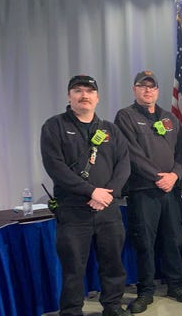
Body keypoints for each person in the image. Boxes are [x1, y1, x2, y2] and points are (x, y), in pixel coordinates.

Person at [40, 75, 131, 316]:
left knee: (113, 265)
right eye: (78, 90)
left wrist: (107, 195)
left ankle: (112, 307)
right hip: (73, 211)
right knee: (73, 269)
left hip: (108, 210)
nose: (84, 95)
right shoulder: (54, 126)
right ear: (69, 96)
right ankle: (71, 311)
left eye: (89, 91)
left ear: (97, 97)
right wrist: (91, 191)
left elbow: (124, 165)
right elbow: (55, 167)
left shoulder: (110, 129)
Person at [114, 71, 182, 313]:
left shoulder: (170, 118)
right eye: (142, 86)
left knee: (174, 238)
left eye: (152, 87)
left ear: (158, 91)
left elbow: (181, 153)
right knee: (145, 242)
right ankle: (145, 291)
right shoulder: (125, 116)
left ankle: (175, 284)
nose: (148, 91)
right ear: (134, 89)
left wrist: (175, 175)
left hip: (170, 189)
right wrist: (159, 177)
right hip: (143, 190)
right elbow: (131, 154)